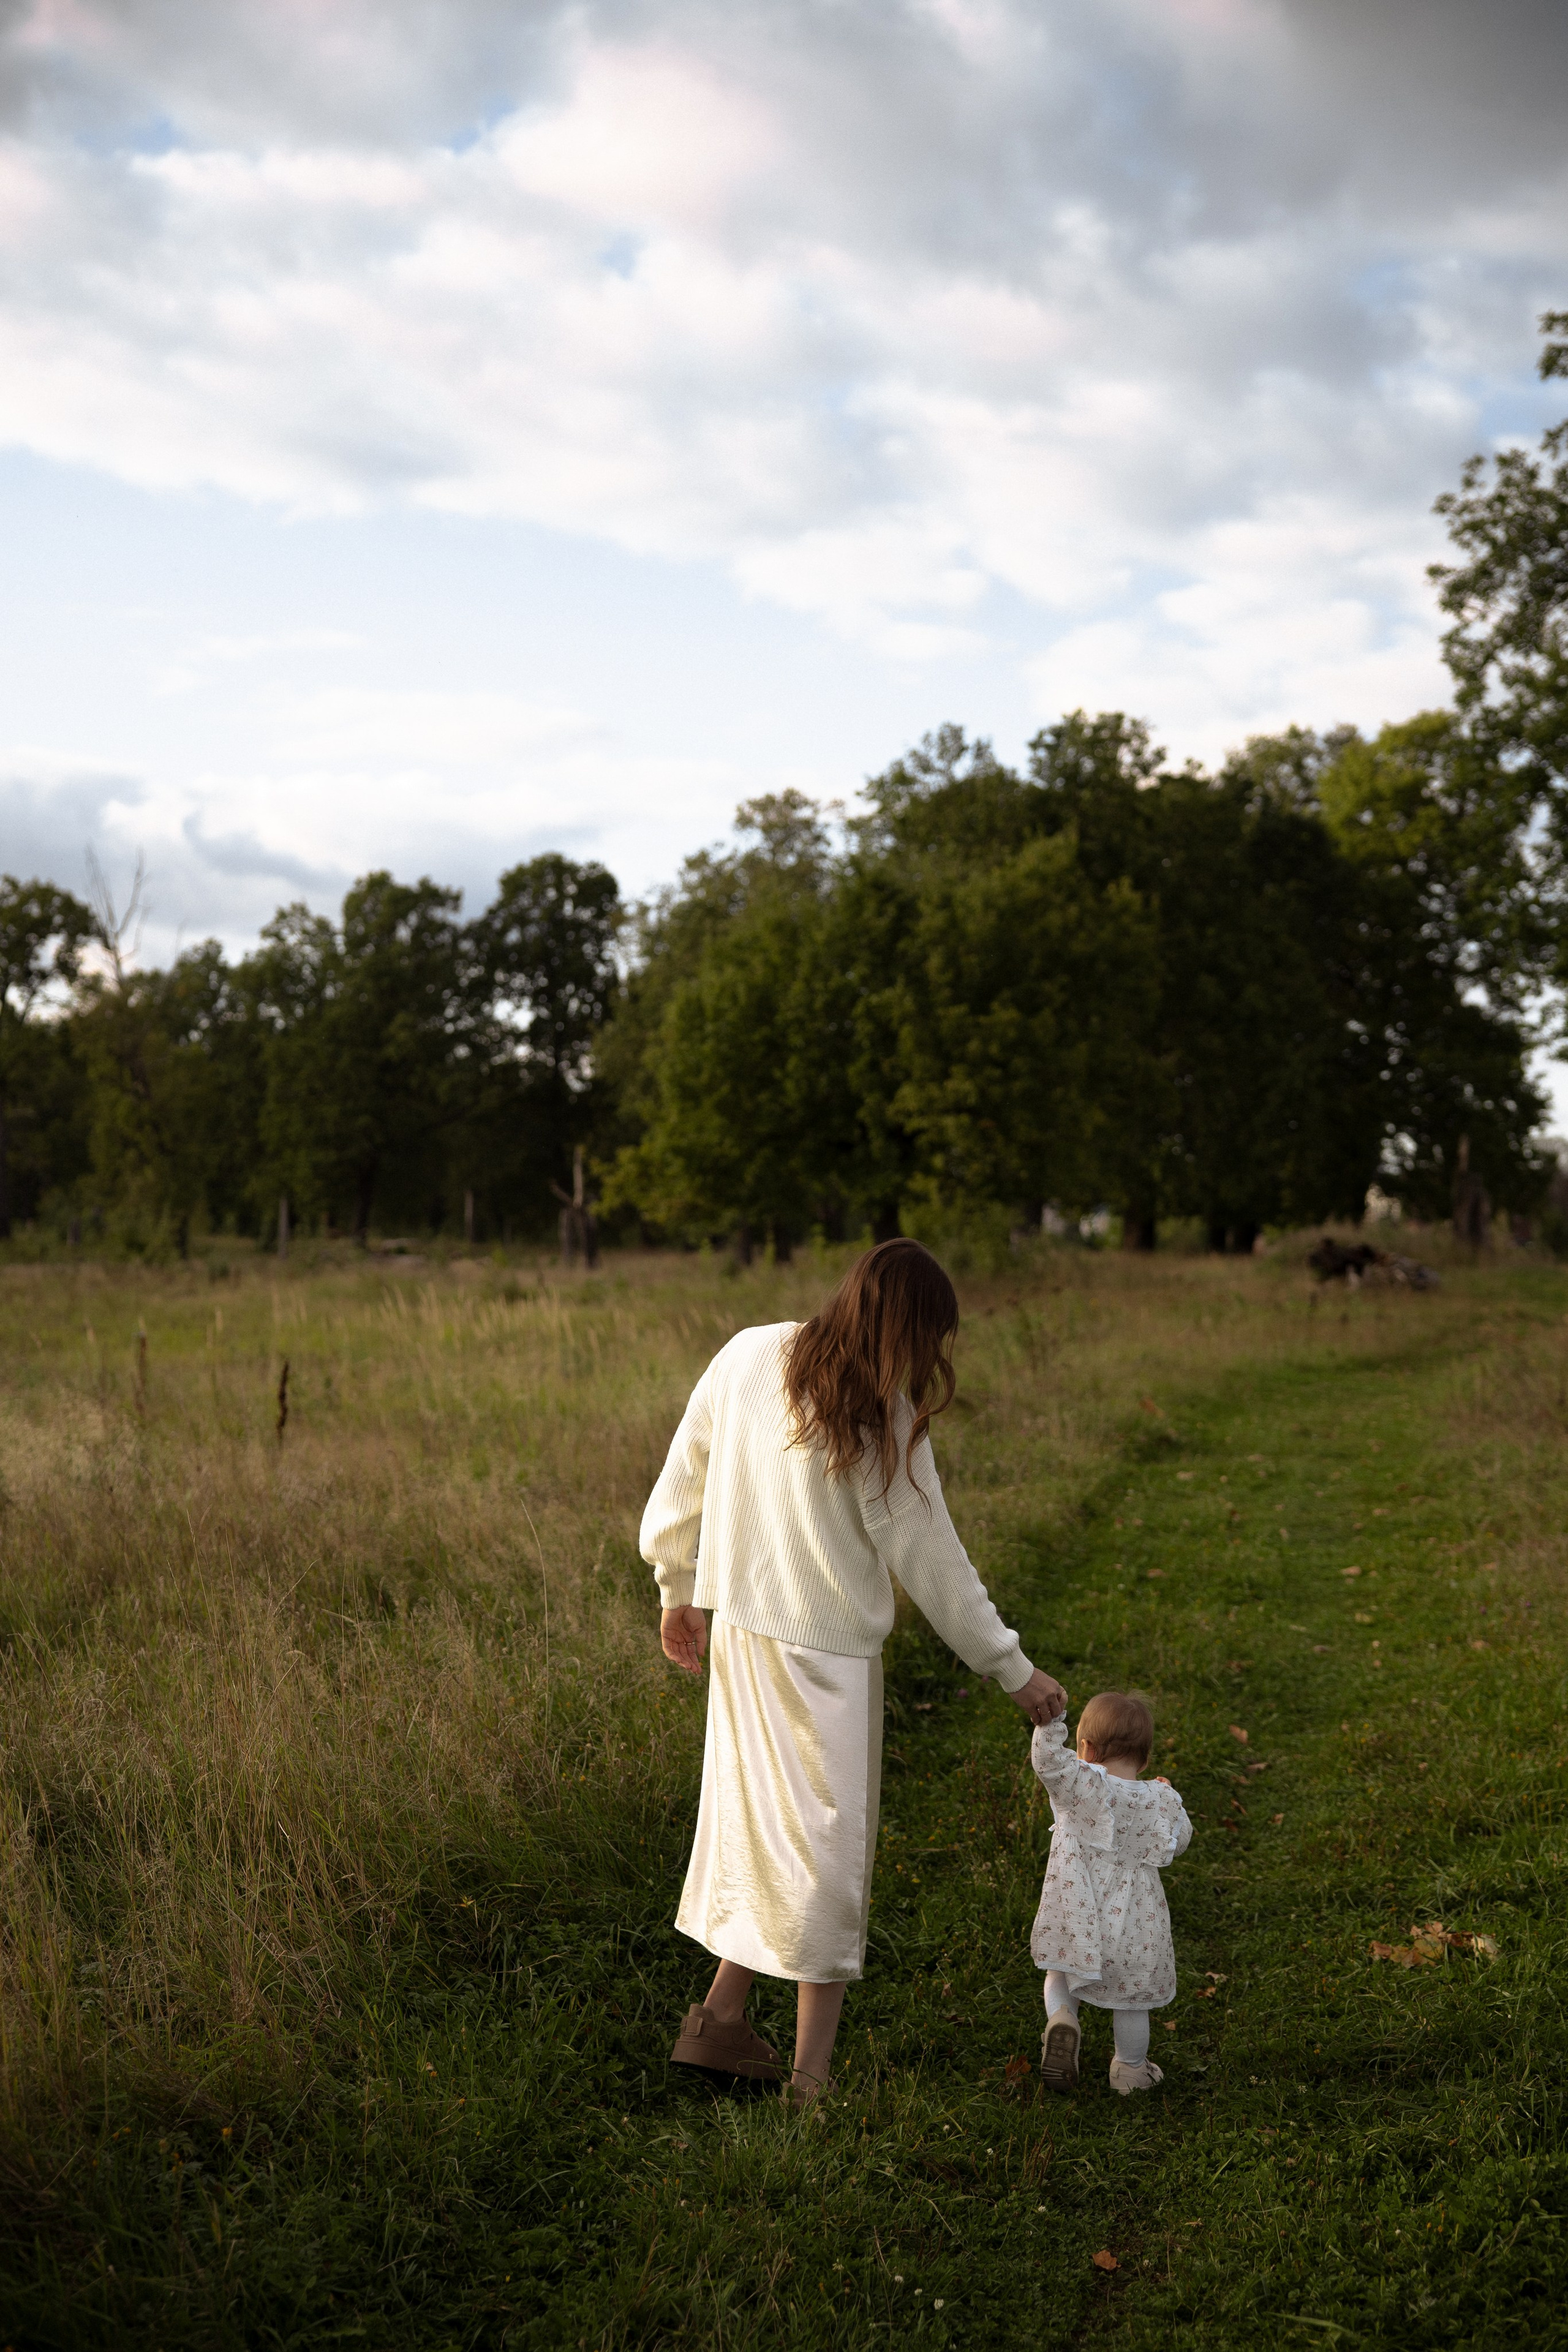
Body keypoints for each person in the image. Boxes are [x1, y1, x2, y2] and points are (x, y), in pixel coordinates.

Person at [641, 1238, 1067, 2104]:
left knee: (763, 1832)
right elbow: (935, 1562)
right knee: (828, 1863)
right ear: (908, 1328)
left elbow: (683, 1474)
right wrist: (1014, 1670)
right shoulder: (882, 1418)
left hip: (743, 1639)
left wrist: (677, 1588)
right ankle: (811, 2080)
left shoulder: (749, 1352)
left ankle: (721, 2019)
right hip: (825, 1662)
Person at [1028, 1690, 1192, 2095]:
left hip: (1074, 1909)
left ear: (1086, 1749)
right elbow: (1181, 1840)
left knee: (1060, 1970)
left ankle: (1062, 2019)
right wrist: (1168, 1799)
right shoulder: (1160, 1799)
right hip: (1134, 1922)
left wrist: (1051, 1722)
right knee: (1132, 1998)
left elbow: (1048, 1762)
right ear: (1146, 1759)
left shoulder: (1079, 1785)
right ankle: (1130, 2070)